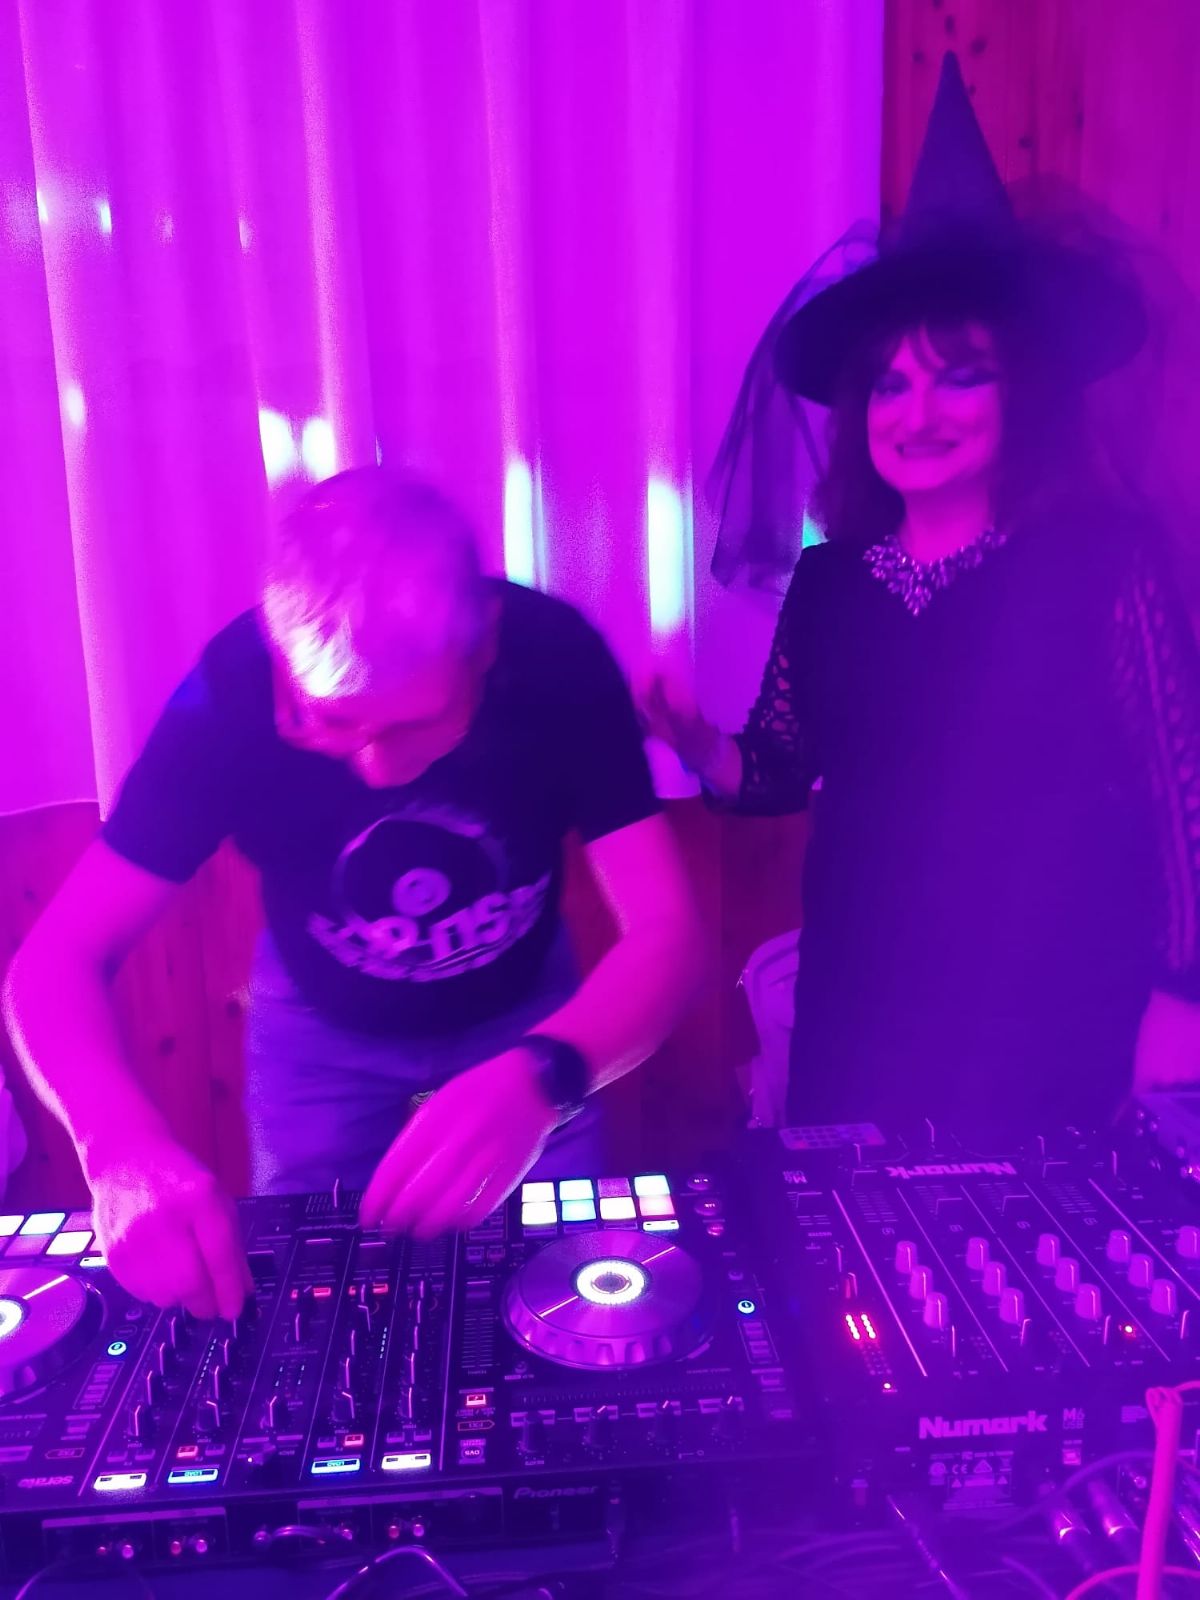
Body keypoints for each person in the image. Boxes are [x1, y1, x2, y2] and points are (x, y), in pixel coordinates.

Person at [644, 54, 1200, 1137]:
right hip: (866, 1003)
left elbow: (1182, 792)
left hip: (1055, 1000)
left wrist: (1182, 995)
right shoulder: (832, 580)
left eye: (961, 374)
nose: (918, 411)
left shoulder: (1105, 562)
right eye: (891, 383)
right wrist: (700, 743)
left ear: (1025, 393)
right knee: (860, 1231)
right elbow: (777, 769)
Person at [5, 467, 701, 1321]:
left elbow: (668, 932)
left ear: (484, 645)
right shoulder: (230, 695)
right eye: (329, 721)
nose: (376, 767)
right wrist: (116, 1145)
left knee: (559, 1289)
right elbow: (55, 962)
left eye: (415, 725)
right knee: (314, 1302)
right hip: (318, 1026)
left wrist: (550, 1073)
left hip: (529, 1010)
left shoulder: (555, 659)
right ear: (281, 658)